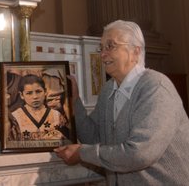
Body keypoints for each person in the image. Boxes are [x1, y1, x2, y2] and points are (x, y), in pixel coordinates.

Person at [54, 20, 189, 185]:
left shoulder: (156, 87)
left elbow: (140, 153)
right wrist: (75, 101)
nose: (103, 54)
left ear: (135, 52)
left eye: (110, 46)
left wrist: (82, 153)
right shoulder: (108, 89)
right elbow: (94, 137)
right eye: (101, 48)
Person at [8, 74, 70, 141]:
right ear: (22, 95)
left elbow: (68, 141)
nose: (35, 97)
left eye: (38, 91)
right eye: (29, 93)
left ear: (45, 92)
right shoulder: (15, 117)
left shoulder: (56, 115)